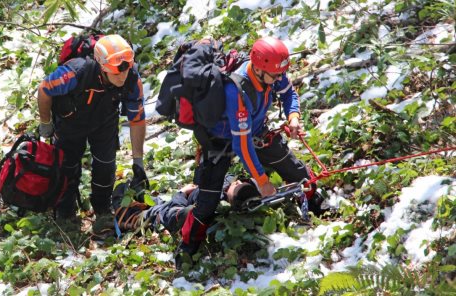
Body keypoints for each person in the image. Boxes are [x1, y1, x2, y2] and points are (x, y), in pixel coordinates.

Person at [176, 36, 326, 266]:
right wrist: (262, 181)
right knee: (207, 203)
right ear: (258, 68)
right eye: (275, 75)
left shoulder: (272, 72)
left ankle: (317, 203)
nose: (279, 78)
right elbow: (242, 146)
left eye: (280, 74)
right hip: (220, 140)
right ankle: (187, 248)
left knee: (295, 170)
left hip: (255, 129)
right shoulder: (235, 91)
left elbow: (288, 93)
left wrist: (293, 117)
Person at [36, 34, 149, 233]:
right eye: (116, 71)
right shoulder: (77, 71)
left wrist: (138, 160)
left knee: (106, 166)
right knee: (67, 167)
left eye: (126, 68)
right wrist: (45, 123)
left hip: (104, 121)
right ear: (103, 66)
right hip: (70, 120)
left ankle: (103, 210)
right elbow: (45, 89)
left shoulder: (131, 78)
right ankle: (66, 214)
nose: (122, 75)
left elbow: (137, 119)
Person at [112, 175, 259, 235]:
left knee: (158, 211)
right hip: (172, 202)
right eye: (241, 182)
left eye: (237, 186)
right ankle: (141, 196)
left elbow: (176, 214)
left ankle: (130, 217)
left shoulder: (212, 203)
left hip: (166, 213)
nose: (238, 182)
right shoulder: (227, 187)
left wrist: (182, 194)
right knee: (151, 197)